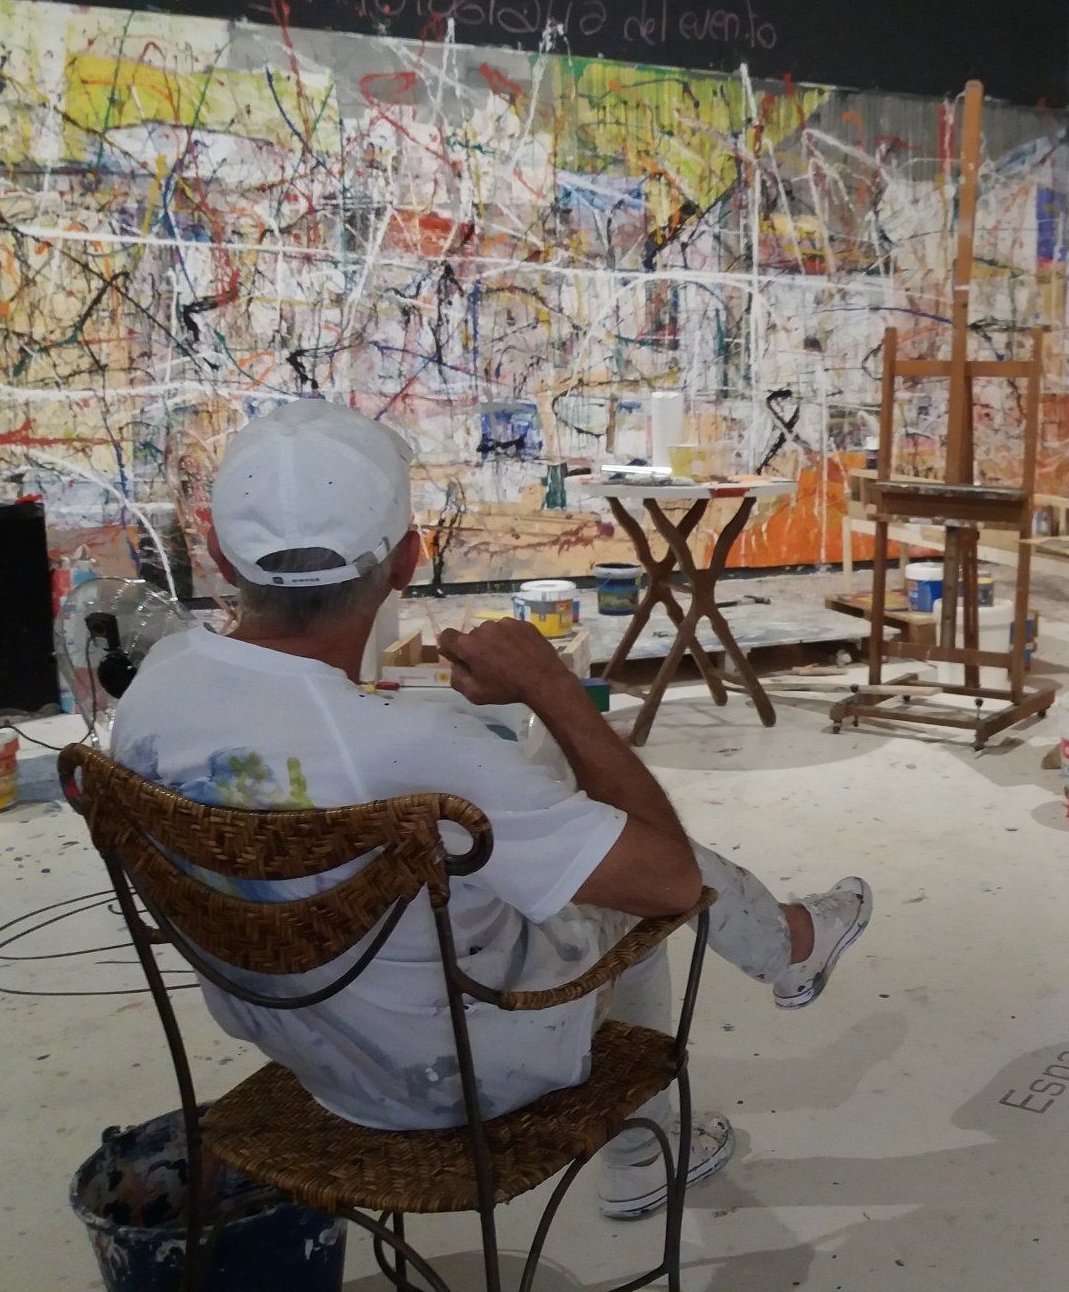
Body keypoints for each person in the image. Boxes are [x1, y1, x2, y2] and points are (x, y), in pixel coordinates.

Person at [111, 400, 873, 1220]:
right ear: (407, 559)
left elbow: (319, 742)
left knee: (542, 829)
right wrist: (552, 689)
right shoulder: (421, 748)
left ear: (220, 550)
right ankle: (662, 1129)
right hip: (458, 1077)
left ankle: (789, 943)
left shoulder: (159, 687)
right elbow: (671, 879)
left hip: (308, 1047)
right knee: (627, 880)